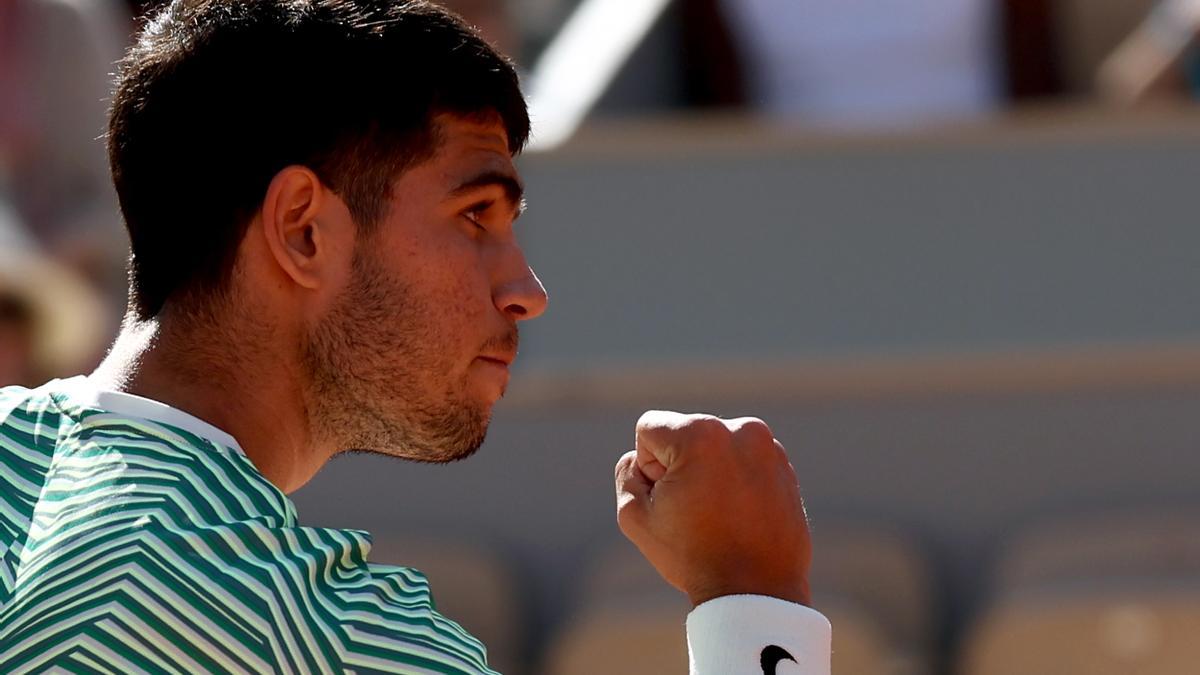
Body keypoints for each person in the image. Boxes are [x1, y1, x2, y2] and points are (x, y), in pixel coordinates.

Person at [0, 1, 830, 672]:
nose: (527, 291)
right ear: (303, 230)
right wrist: (753, 601)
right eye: (475, 216)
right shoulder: (332, 643)